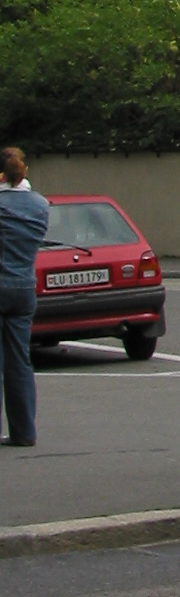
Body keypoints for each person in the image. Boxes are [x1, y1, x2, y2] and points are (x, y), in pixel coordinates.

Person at [0, 146, 50, 448]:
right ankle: (24, 432)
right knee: (19, 361)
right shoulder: (41, 205)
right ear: (25, 171)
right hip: (22, 287)